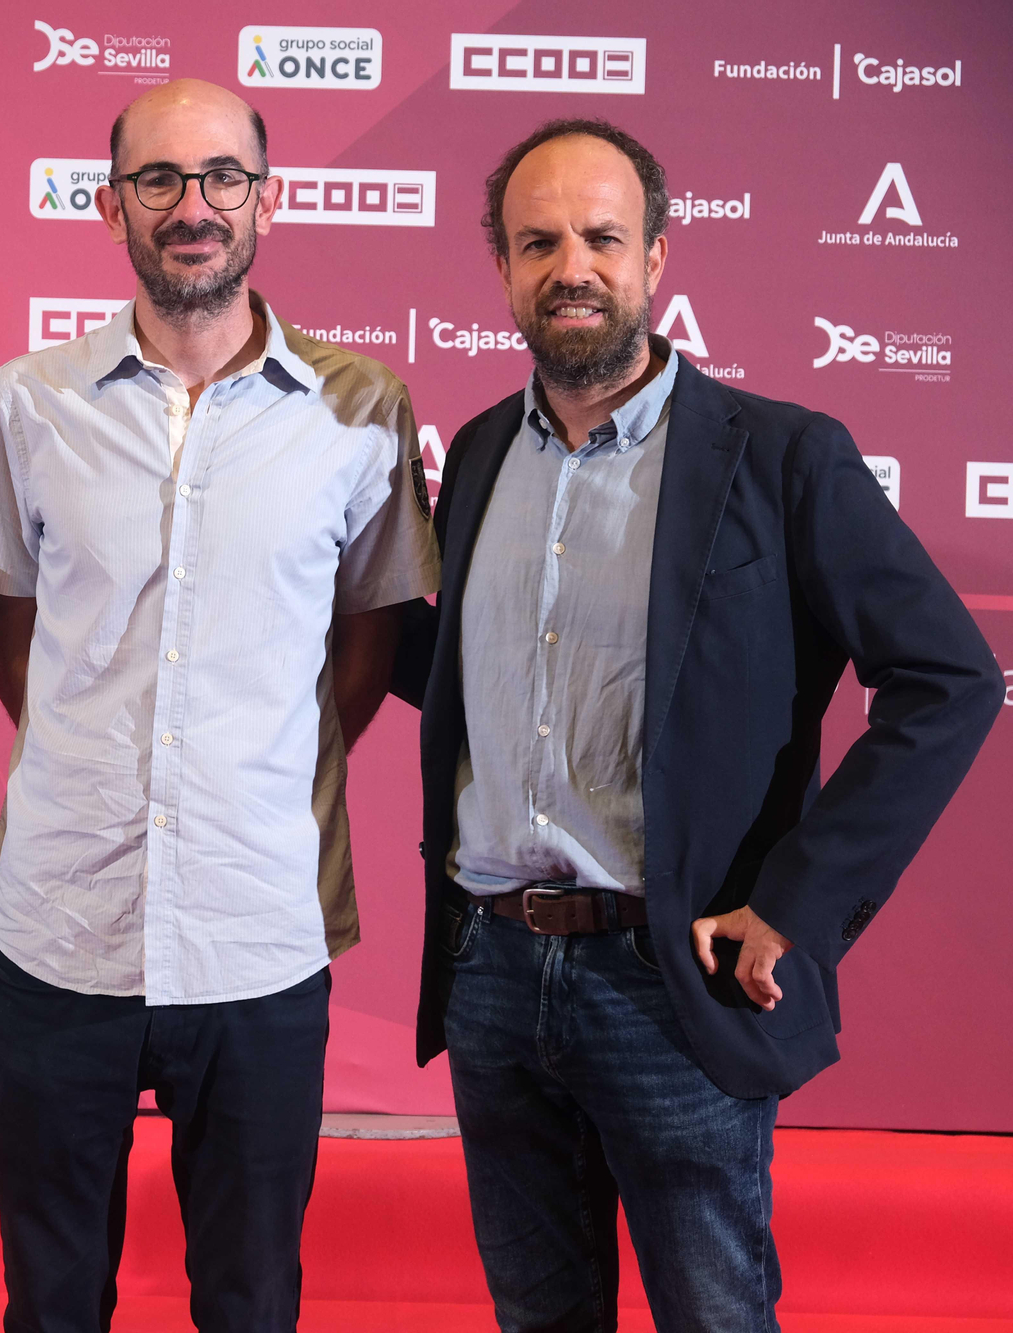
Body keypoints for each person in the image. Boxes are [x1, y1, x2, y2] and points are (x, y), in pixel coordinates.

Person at [389, 118, 1003, 1332]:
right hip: (493, 975)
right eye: (537, 240)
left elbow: (949, 677)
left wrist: (797, 905)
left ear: (657, 254)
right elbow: (472, 674)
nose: (571, 265)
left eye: (601, 237)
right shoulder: (469, 457)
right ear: (500, 267)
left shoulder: (779, 458)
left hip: (671, 983)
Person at [0, 80, 441, 1333]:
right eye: (158, 181)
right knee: (50, 1299)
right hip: (62, 928)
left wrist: (247, 763)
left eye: (222, 177)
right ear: (111, 207)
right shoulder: (26, 400)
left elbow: (364, 649)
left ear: (264, 200)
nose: (192, 207)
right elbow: (7, 634)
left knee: (249, 1296)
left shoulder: (357, 409)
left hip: (257, 932)